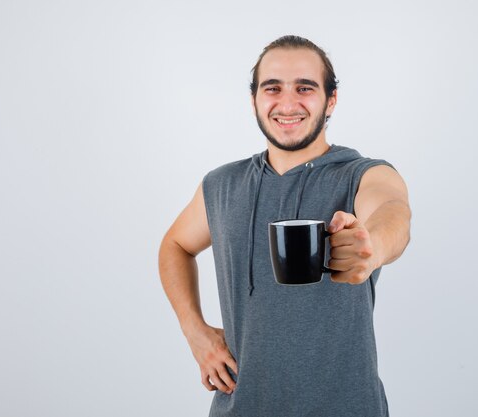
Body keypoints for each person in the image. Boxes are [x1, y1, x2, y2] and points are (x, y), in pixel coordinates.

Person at [158, 35, 411, 417]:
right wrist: (195, 331)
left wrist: (371, 245)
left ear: (331, 100)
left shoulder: (362, 174)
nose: (288, 103)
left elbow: (394, 212)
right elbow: (175, 245)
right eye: (272, 88)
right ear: (255, 100)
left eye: (305, 88)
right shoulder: (222, 184)